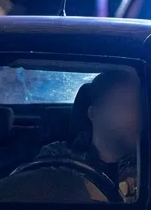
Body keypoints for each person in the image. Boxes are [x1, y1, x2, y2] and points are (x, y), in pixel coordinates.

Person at [38, 69, 141, 202]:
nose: (137, 116)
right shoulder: (56, 158)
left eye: (140, 108)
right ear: (94, 114)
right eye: (125, 106)